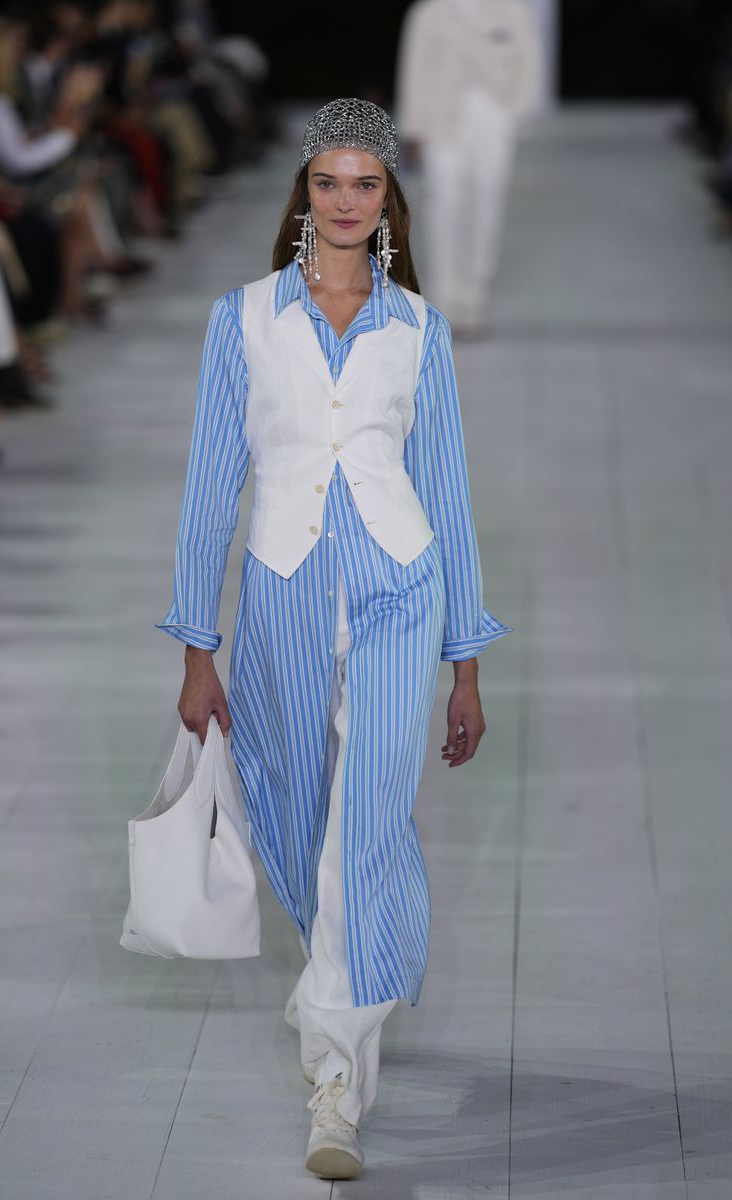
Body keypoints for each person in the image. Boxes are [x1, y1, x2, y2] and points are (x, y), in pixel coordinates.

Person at [156, 98, 512, 1181]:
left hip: (402, 590)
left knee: (363, 825)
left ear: (386, 198)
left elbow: (446, 492)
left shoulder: (418, 328)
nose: (346, 202)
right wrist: (195, 645)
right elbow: (209, 487)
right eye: (327, 183)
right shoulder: (243, 319)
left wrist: (466, 665)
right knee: (299, 818)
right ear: (302, 193)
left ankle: (334, 1087)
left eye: (364, 184)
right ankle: (345, 1000)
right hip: (280, 597)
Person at [396, 0, 541, 333]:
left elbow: (528, 62)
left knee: (487, 200)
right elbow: (414, 70)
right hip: (441, 116)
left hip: (493, 114)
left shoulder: (511, 11)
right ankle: (445, 295)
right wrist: (413, 129)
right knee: (444, 202)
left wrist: (516, 113)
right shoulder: (428, 13)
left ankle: (475, 293)